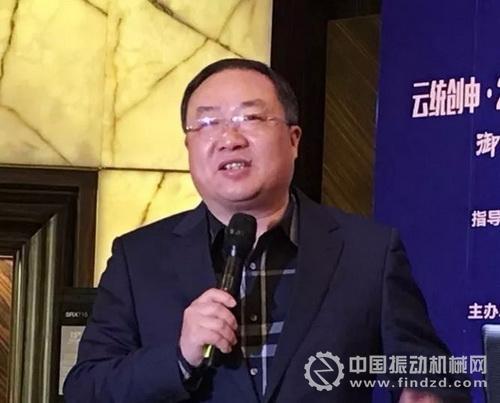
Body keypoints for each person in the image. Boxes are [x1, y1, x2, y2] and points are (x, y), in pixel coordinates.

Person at [64, 59, 470, 402]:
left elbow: (433, 374)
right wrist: (179, 358)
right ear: (188, 148)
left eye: (251, 118)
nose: (229, 138)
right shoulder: (139, 257)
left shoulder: (368, 252)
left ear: (293, 140)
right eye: (207, 123)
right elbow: (85, 389)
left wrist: (430, 391)